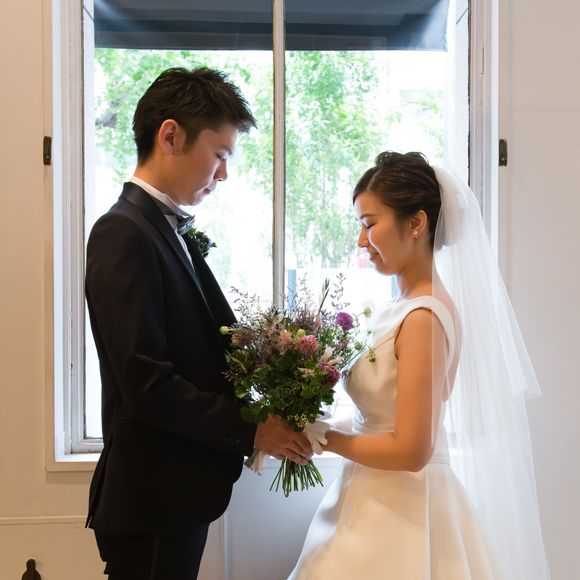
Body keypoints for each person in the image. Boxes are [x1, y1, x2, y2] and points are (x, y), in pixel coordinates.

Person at [85, 66, 312, 580]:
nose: (224, 174)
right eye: (220, 154)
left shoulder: (161, 229)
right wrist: (252, 429)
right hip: (152, 498)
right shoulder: (123, 233)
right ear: (170, 136)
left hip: (176, 495)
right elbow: (147, 384)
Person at [289, 152, 551, 579]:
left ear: (416, 223)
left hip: (401, 508)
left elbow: (412, 450)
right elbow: (382, 412)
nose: (361, 241)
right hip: (368, 494)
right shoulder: (401, 307)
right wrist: (316, 423)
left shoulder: (424, 317)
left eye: (369, 224)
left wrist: (326, 439)